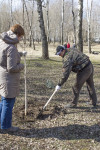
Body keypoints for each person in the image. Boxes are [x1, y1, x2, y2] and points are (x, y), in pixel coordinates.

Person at [0, 24, 27, 131]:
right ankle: (6, 127)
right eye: (20, 36)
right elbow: (12, 67)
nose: (20, 38)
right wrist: (22, 66)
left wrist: (19, 54)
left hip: (2, 75)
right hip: (8, 79)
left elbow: (6, 56)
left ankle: (2, 123)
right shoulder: (11, 46)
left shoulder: (3, 42)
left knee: (3, 101)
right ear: (17, 34)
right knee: (8, 102)